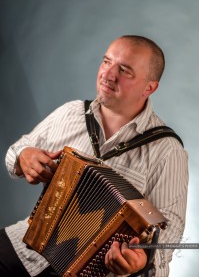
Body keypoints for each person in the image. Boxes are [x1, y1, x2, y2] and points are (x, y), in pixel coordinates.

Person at [1, 35, 188, 277]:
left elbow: (169, 234)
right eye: (106, 62)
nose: (108, 75)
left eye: (124, 70)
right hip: (28, 247)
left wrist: (142, 260)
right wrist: (23, 157)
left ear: (149, 87)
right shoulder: (71, 113)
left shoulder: (167, 151)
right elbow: (16, 151)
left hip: (95, 271)